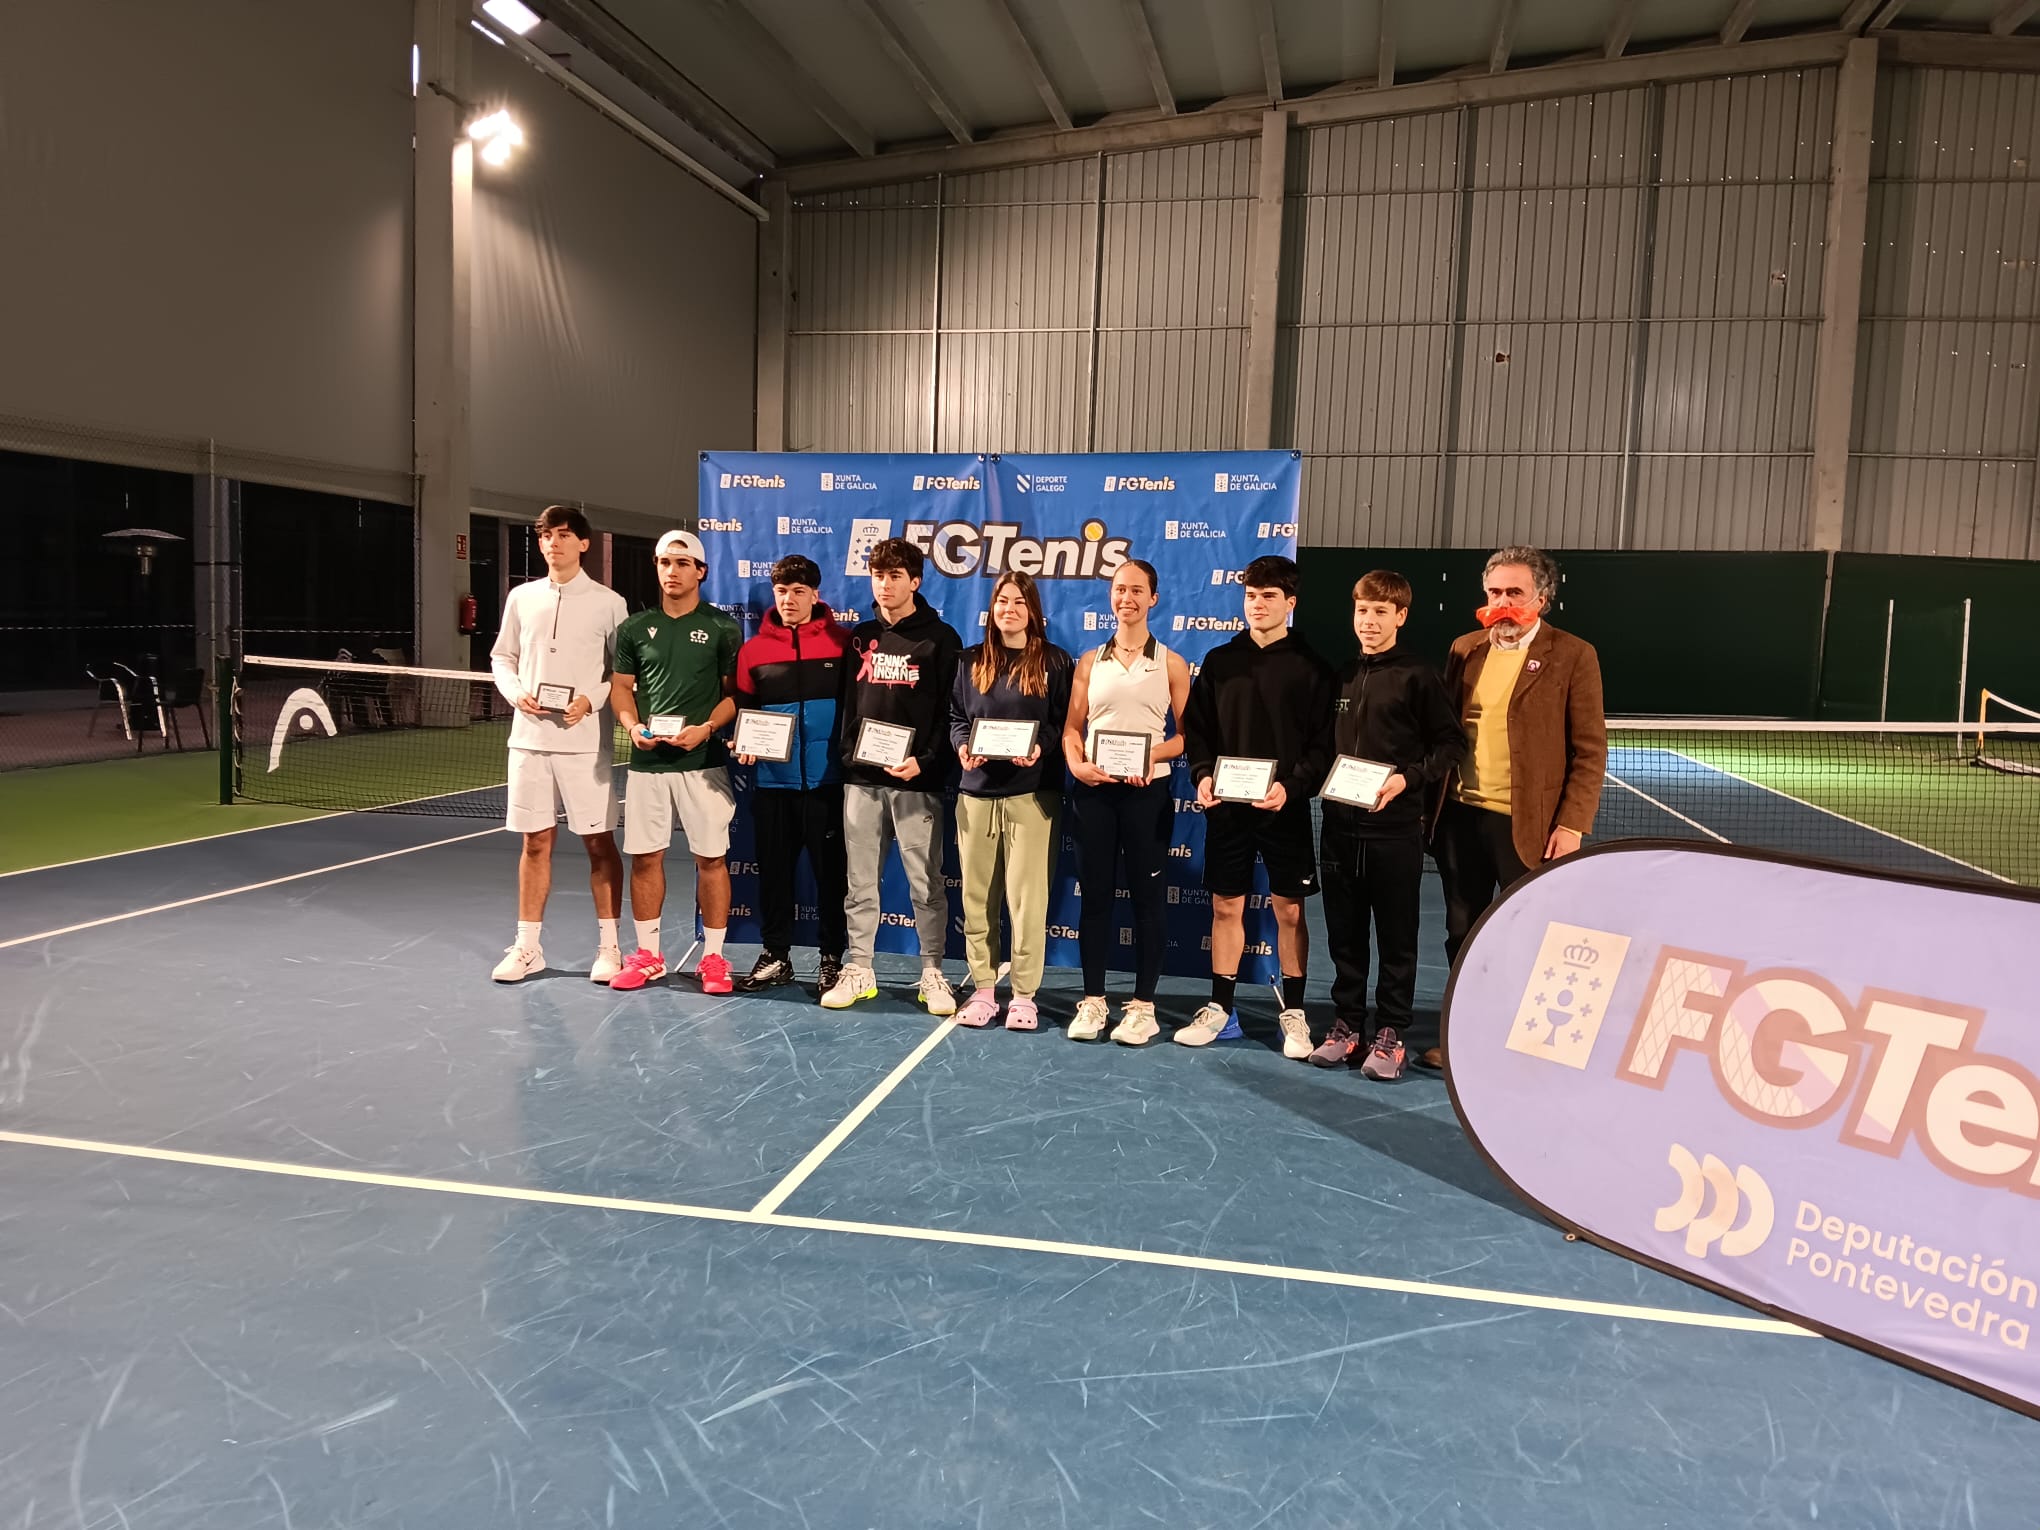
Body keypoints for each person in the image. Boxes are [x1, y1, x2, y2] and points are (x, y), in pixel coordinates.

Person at [1427, 545, 1607, 1068]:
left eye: (1514, 593)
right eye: (1494, 593)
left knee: (1531, 934)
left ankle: (1525, 1040)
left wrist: (1572, 823)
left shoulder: (1573, 655)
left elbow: (1590, 751)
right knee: (1461, 932)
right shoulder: (1464, 649)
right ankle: (1467, 1032)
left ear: (1541, 599)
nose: (1502, 604)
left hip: (1530, 826)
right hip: (1460, 818)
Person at [1309, 571, 1466, 1081]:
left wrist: (1406, 779)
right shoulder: (1341, 676)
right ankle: (1347, 1025)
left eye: (1380, 612)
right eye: (1362, 611)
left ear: (1400, 616)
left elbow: (1450, 744)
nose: (1369, 621)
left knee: (1397, 939)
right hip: (1339, 829)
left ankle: (1392, 1031)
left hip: (1395, 832)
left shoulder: (1419, 676)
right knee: (1344, 937)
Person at [1180, 554, 1334, 1055]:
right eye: (1251, 595)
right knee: (1226, 906)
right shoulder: (1220, 662)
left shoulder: (1313, 667)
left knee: (1289, 910)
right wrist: (1203, 774)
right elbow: (1198, 731)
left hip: (1283, 808)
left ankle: (1295, 1013)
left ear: (1290, 603)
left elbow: (1322, 746)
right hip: (1228, 810)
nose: (1257, 604)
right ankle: (1221, 1008)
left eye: (1269, 596)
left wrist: (1291, 786)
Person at [823, 538, 964, 1016]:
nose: (885, 585)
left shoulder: (940, 638)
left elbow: (950, 712)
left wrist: (926, 760)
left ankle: (932, 971)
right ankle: (860, 968)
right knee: (860, 882)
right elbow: (848, 704)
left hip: (917, 780)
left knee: (925, 883)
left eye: (895, 576)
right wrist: (849, 755)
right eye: (878, 575)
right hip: (862, 779)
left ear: (915, 581)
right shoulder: (860, 637)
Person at [487, 504, 628, 983]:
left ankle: (610, 948)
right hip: (528, 742)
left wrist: (591, 699)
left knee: (599, 843)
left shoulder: (610, 603)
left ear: (584, 544)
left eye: (564, 535)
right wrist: (515, 693)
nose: (554, 543)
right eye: (546, 535)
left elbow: (621, 673)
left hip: (586, 745)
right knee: (534, 843)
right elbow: (502, 657)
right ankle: (528, 948)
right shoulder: (521, 598)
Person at [1059, 559, 1192, 1046]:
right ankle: (1094, 1000)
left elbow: (1186, 738)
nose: (1127, 598)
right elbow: (1072, 730)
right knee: (1095, 898)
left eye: (1137, 590)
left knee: (1147, 901)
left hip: (1146, 795)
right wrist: (1076, 764)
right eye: (1119, 589)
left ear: (1153, 598)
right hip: (1094, 793)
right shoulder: (1089, 661)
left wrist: (1149, 755)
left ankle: (1143, 1007)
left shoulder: (1172, 663)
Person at [606, 530, 741, 995]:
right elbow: (621, 688)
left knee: (711, 859)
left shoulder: (723, 628)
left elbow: (734, 696)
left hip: (703, 763)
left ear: (701, 571)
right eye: (665, 563)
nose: (672, 571)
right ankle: (648, 956)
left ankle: (714, 959)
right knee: (646, 858)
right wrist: (632, 726)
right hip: (647, 767)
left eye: (682, 564)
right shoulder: (634, 628)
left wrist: (706, 728)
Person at [947, 571, 1073, 1032]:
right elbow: (957, 717)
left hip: (1032, 795)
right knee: (977, 899)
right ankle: (983, 990)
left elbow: (1063, 721)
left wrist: (1040, 746)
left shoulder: (1054, 661)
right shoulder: (969, 660)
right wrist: (963, 746)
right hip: (976, 794)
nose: (1010, 609)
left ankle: (1023, 996)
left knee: (1027, 902)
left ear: (1033, 610)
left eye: (1019, 602)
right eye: (1003, 600)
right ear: (992, 607)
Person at [731, 553, 852, 998]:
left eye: (799, 591)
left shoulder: (844, 643)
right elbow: (744, 710)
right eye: (782, 591)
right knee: (774, 876)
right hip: (772, 785)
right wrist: (742, 741)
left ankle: (832, 959)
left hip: (828, 785)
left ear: (815, 595)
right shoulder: (753, 651)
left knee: (832, 879)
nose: (789, 599)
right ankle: (776, 955)